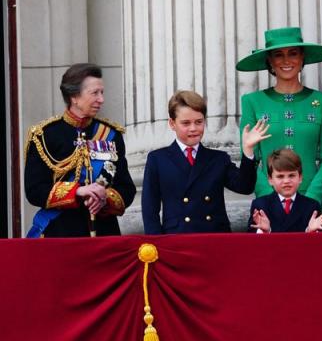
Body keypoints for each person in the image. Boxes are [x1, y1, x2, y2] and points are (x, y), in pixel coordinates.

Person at [24, 63, 136, 237]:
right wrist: (77, 191)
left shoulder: (111, 134)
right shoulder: (45, 135)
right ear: (74, 96)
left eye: (102, 92)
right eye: (94, 93)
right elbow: (34, 191)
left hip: (104, 234)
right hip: (61, 234)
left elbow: (127, 189)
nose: (101, 99)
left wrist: (104, 197)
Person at [141, 90, 270, 234]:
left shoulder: (218, 158)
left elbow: (245, 187)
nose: (193, 128)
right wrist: (156, 244)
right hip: (176, 239)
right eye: (186, 123)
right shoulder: (158, 159)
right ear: (172, 123)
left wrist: (248, 150)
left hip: (214, 238)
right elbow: (149, 209)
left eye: (199, 122)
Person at [237, 27, 322, 206]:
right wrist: (270, 199)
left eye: (293, 53)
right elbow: (250, 157)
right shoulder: (252, 102)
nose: (286, 61)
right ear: (270, 61)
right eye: (278, 55)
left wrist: (313, 197)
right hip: (269, 205)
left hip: (311, 204)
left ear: (302, 57)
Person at [249, 149, 322, 233]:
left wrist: (309, 231)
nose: (286, 181)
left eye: (291, 175)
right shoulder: (260, 205)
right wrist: (265, 231)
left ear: (300, 178)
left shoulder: (312, 206)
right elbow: (249, 241)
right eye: (280, 176)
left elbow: (318, 244)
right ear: (270, 179)